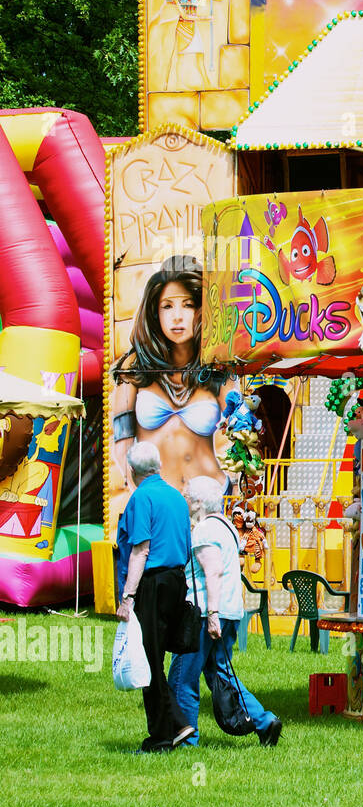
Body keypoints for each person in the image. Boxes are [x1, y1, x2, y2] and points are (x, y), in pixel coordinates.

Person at [110, 255, 234, 508]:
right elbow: (121, 444)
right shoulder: (134, 367)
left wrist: (234, 482)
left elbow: (242, 431)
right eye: (167, 306)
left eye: (188, 305)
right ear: (155, 312)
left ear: (203, 309)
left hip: (211, 497)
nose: (177, 317)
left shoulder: (218, 366)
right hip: (157, 502)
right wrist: (137, 493)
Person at [168, 476, 282, 748]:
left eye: (187, 497)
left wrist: (213, 614)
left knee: (183, 676)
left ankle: (185, 738)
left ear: (197, 502)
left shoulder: (204, 531)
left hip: (206, 613)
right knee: (221, 673)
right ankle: (264, 720)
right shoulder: (227, 527)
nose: (185, 502)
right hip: (231, 609)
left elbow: (213, 570)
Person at [115, 441, 196, 753]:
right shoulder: (177, 497)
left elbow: (140, 549)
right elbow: (186, 546)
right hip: (177, 580)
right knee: (157, 658)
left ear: (133, 472)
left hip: (153, 582)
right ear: (158, 467)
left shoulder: (141, 498)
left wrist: (128, 596)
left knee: (147, 659)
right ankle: (175, 723)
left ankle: (163, 734)